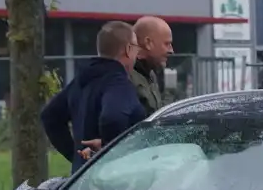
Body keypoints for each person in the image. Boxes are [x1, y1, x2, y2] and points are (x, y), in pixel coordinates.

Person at [41, 21, 146, 174]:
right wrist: (108, 148)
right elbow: (112, 117)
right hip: (113, 181)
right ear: (128, 50)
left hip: (80, 179)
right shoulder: (118, 82)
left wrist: (76, 155)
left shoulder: (81, 81)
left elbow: (49, 116)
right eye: (136, 47)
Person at [130, 16, 173, 116]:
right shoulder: (127, 78)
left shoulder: (151, 74)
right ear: (148, 43)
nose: (171, 50)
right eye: (167, 44)